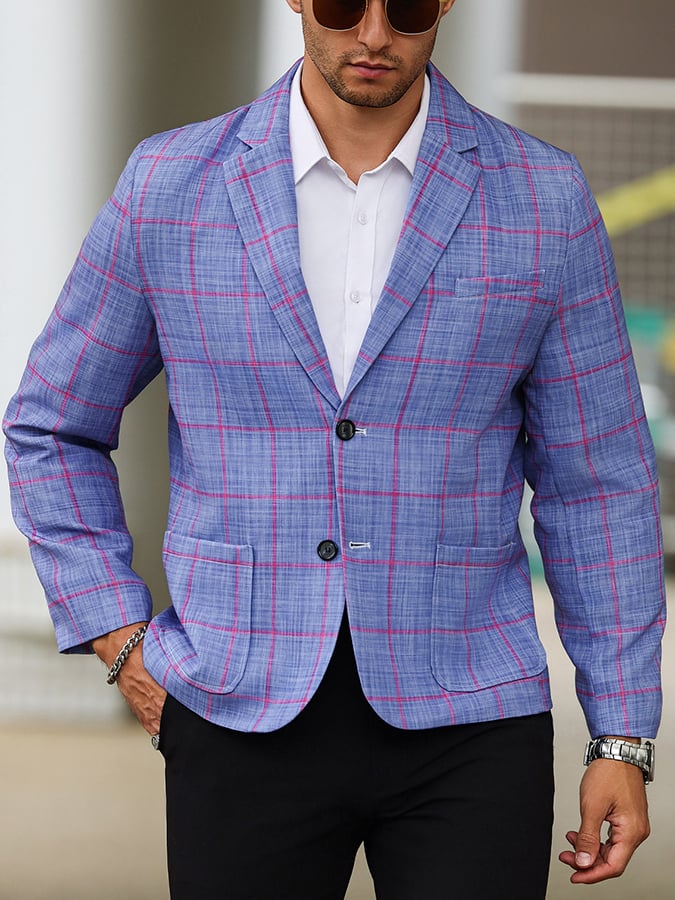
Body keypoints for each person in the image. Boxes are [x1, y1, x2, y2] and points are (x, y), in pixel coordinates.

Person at [3, 1, 666, 898]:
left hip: (471, 713)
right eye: (344, 3)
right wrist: (119, 636)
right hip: (237, 704)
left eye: (409, 7)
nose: (374, 34)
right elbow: (52, 425)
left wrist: (620, 733)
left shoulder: (542, 197)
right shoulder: (171, 183)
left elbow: (598, 481)